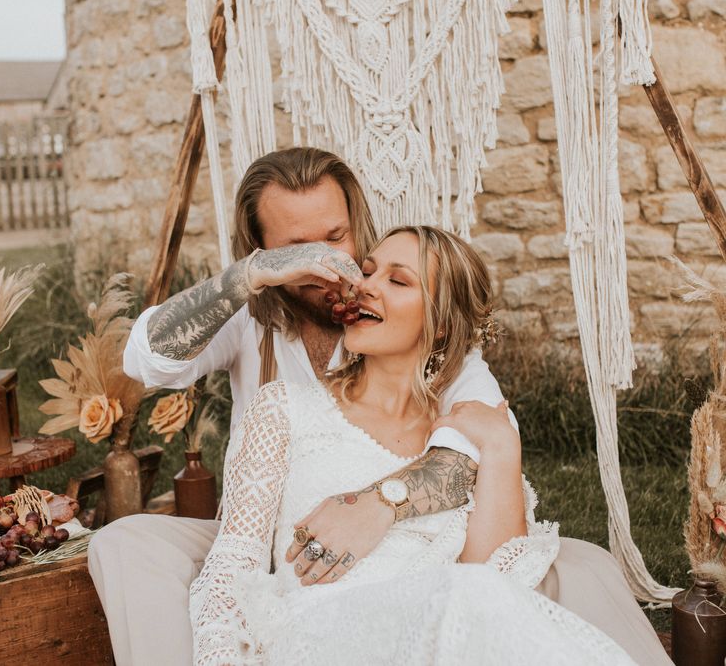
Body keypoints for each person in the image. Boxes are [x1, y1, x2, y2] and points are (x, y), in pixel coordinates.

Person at [88, 148, 667, 665]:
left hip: (425, 591)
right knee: (128, 546)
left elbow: (478, 447)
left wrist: (378, 505)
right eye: (296, 247)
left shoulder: (449, 365)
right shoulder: (252, 324)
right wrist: (252, 277)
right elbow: (146, 359)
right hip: (279, 549)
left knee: (563, 576)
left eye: (337, 238)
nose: (330, 264)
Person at [189, 226, 669, 665]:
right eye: (369, 272)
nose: (367, 287)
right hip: (323, 635)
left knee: (477, 601)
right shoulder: (284, 410)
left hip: (447, 639)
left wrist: (501, 446)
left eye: (399, 282)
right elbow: (233, 564)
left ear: (440, 324)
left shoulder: (464, 437)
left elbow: (503, 582)